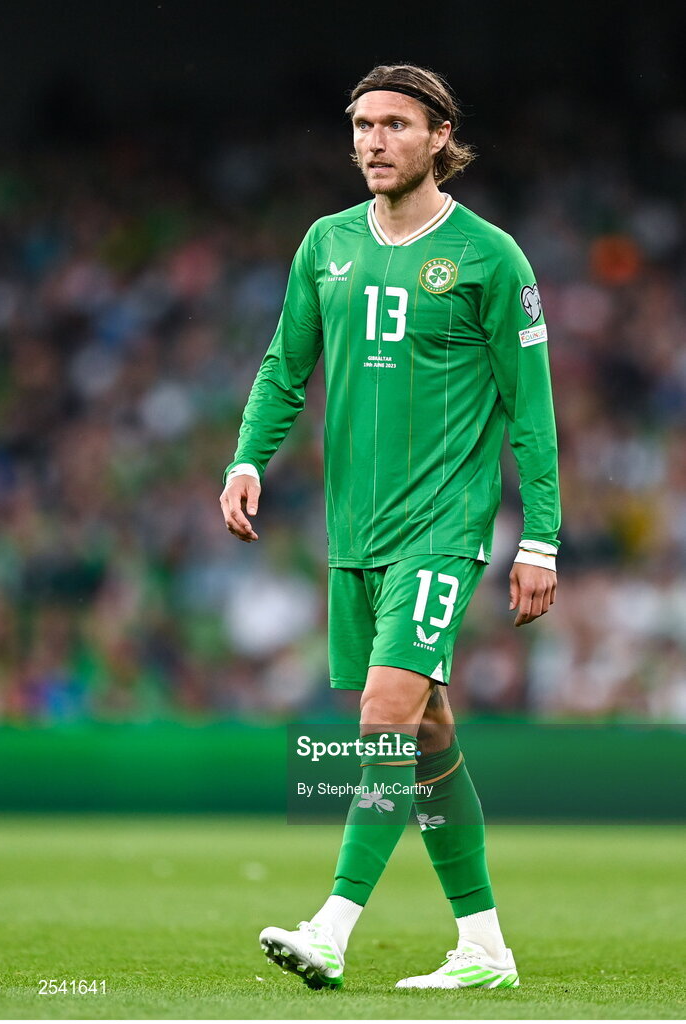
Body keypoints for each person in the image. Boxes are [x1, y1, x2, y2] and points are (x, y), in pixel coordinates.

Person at [220, 63, 560, 992]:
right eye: (362, 124)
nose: (373, 140)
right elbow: (285, 365)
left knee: (380, 717)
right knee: (425, 738)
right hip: (353, 532)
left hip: (443, 527)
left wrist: (541, 536)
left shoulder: (491, 257)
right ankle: (485, 945)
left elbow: (531, 408)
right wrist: (248, 457)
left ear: (440, 138)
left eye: (396, 125)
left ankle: (332, 926)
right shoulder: (325, 243)